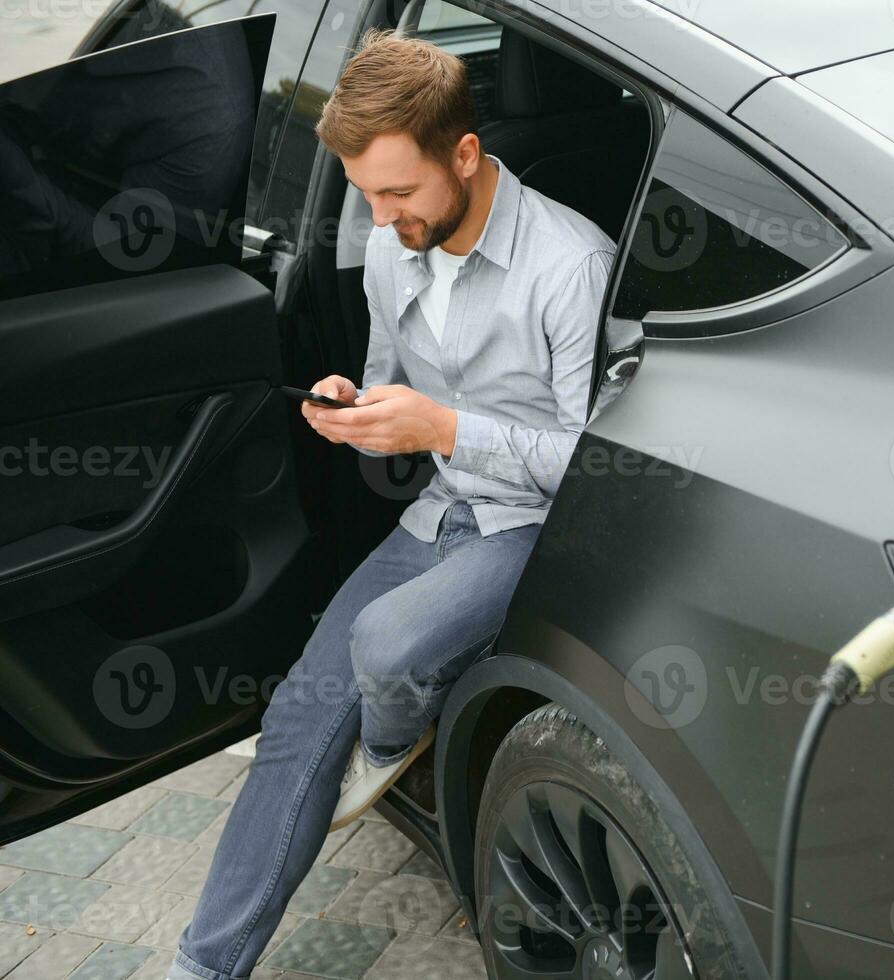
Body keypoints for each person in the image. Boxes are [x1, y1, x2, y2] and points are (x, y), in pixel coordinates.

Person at [169, 28, 615, 980]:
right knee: (291, 722)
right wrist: (358, 412)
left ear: (464, 152)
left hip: (534, 528)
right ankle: (203, 967)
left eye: (399, 192)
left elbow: (595, 469)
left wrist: (443, 429)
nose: (382, 215)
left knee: (387, 644)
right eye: (367, 193)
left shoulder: (571, 264)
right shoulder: (387, 244)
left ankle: (389, 733)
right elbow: (387, 384)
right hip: (437, 514)